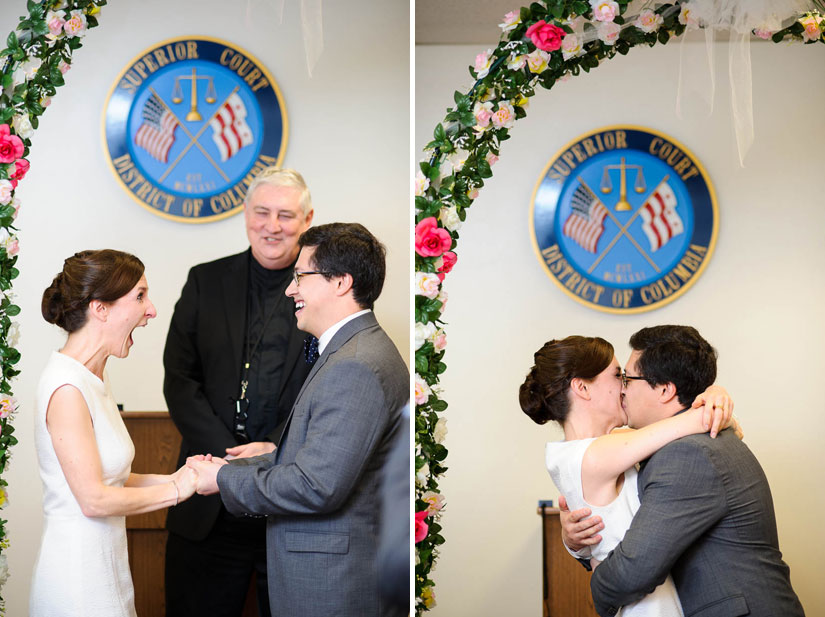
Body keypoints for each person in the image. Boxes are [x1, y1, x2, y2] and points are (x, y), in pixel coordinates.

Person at [187, 222, 409, 617]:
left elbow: (316, 485)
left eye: (300, 277)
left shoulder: (355, 365)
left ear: (340, 282)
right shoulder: (351, 351)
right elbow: (311, 459)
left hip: (333, 585)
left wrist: (222, 479)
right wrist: (232, 466)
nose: (290, 289)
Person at [564, 326, 805, 617]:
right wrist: (577, 544)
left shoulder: (687, 454)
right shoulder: (678, 444)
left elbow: (635, 570)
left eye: (627, 378)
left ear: (665, 389)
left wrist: (597, 586)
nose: (622, 389)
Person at [162, 167, 316, 617]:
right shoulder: (204, 281)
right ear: (246, 214)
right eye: (262, 212)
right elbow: (179, 378)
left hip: (289, 504)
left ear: (307, 219)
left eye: (286, 215)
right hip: (207, 501)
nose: (272, 226)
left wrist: (272, 452)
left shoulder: (327, 291)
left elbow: (330, 384)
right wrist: (228, 456)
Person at [31, 250, 199, 617]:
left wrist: (181, 477)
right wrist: (175, 491)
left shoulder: (93, 378)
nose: (151, 309)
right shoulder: (66, 388)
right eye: (139, 296)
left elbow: (113, 478)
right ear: (100, 309)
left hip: (108, 572)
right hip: (78, 583)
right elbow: (94, 500)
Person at [520, 335, 735, 616]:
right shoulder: (594, 455)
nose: (625, 386)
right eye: (618, 375)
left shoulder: (600, 448)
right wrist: (715, 397)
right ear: (582, 387)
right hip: (646, 606)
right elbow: (701, 421)